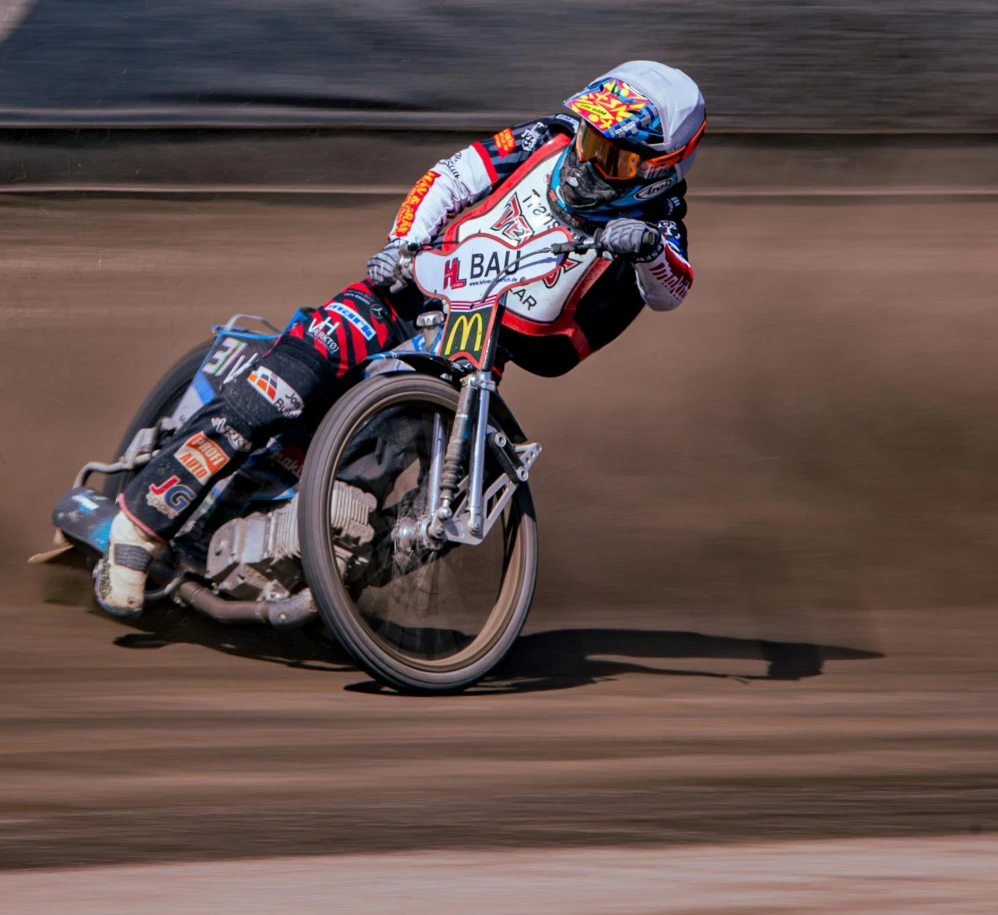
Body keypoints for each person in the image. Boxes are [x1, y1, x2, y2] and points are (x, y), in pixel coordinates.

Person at [95, 60, 705, 618]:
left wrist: (649, 249)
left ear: (659, 167)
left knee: (416, 472)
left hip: (475, 347)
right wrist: (402, 243)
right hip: (406, 290)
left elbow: (671, 290)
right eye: (590, 140)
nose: (592, 161)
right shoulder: (542, 138)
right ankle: (139, 525)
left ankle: (325, 571)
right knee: (286, 384)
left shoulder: (661, 219)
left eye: (616, 157)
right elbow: (450, 176)